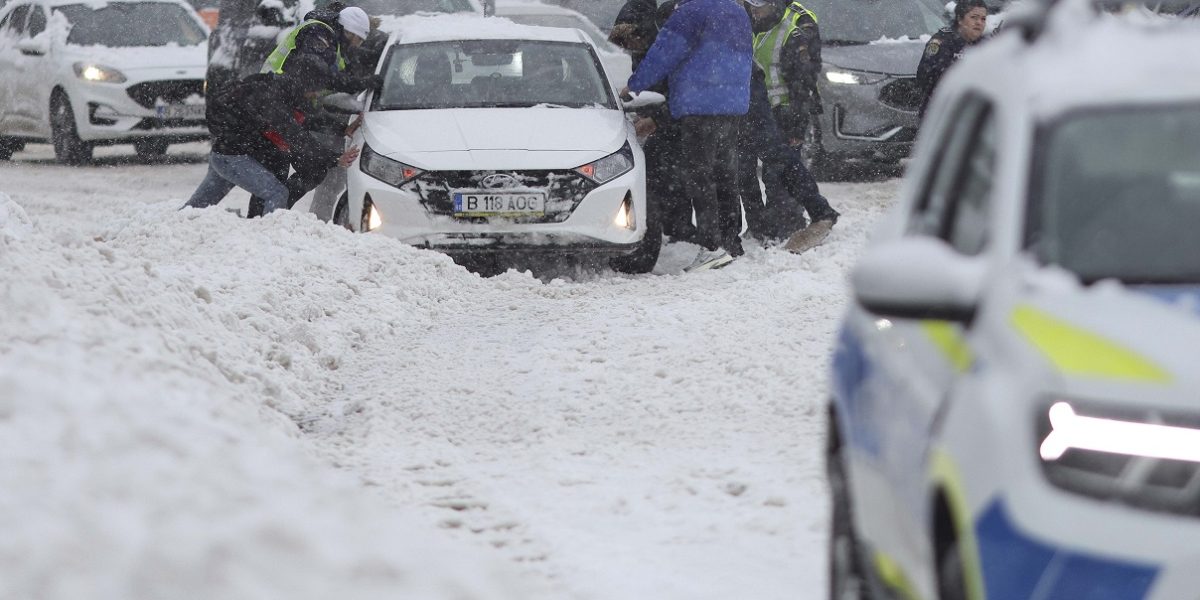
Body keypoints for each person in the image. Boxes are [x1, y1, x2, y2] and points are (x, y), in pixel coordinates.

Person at [623, 0, 754, 272]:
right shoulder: (737, 11)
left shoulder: (690, 12)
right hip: (732, 104)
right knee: (725, 174)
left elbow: (664, 53)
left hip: (699, 106)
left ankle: (710, 248)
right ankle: (731, 242)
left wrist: (635, 85)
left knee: (699, 177)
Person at [182, 56, 359, 215]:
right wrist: (335, 158)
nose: (315, 94)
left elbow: (306, 118)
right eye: (314, 89)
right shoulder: (271, 98)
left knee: (195, 208)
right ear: (304, 83)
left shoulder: (280, 88)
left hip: (225, 153)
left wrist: (343, 128)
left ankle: (173, 227)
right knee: (277, 193)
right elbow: (296, 136)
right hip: (232, 158)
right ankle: (267, 243)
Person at [917, 0, 987, 118]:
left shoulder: (986, 44)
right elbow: (926, 78)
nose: (979, 23)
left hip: (972, 119)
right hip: (941, 118)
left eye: (983, 19)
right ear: (960, 19)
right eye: (974, 17)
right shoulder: (943, 41)